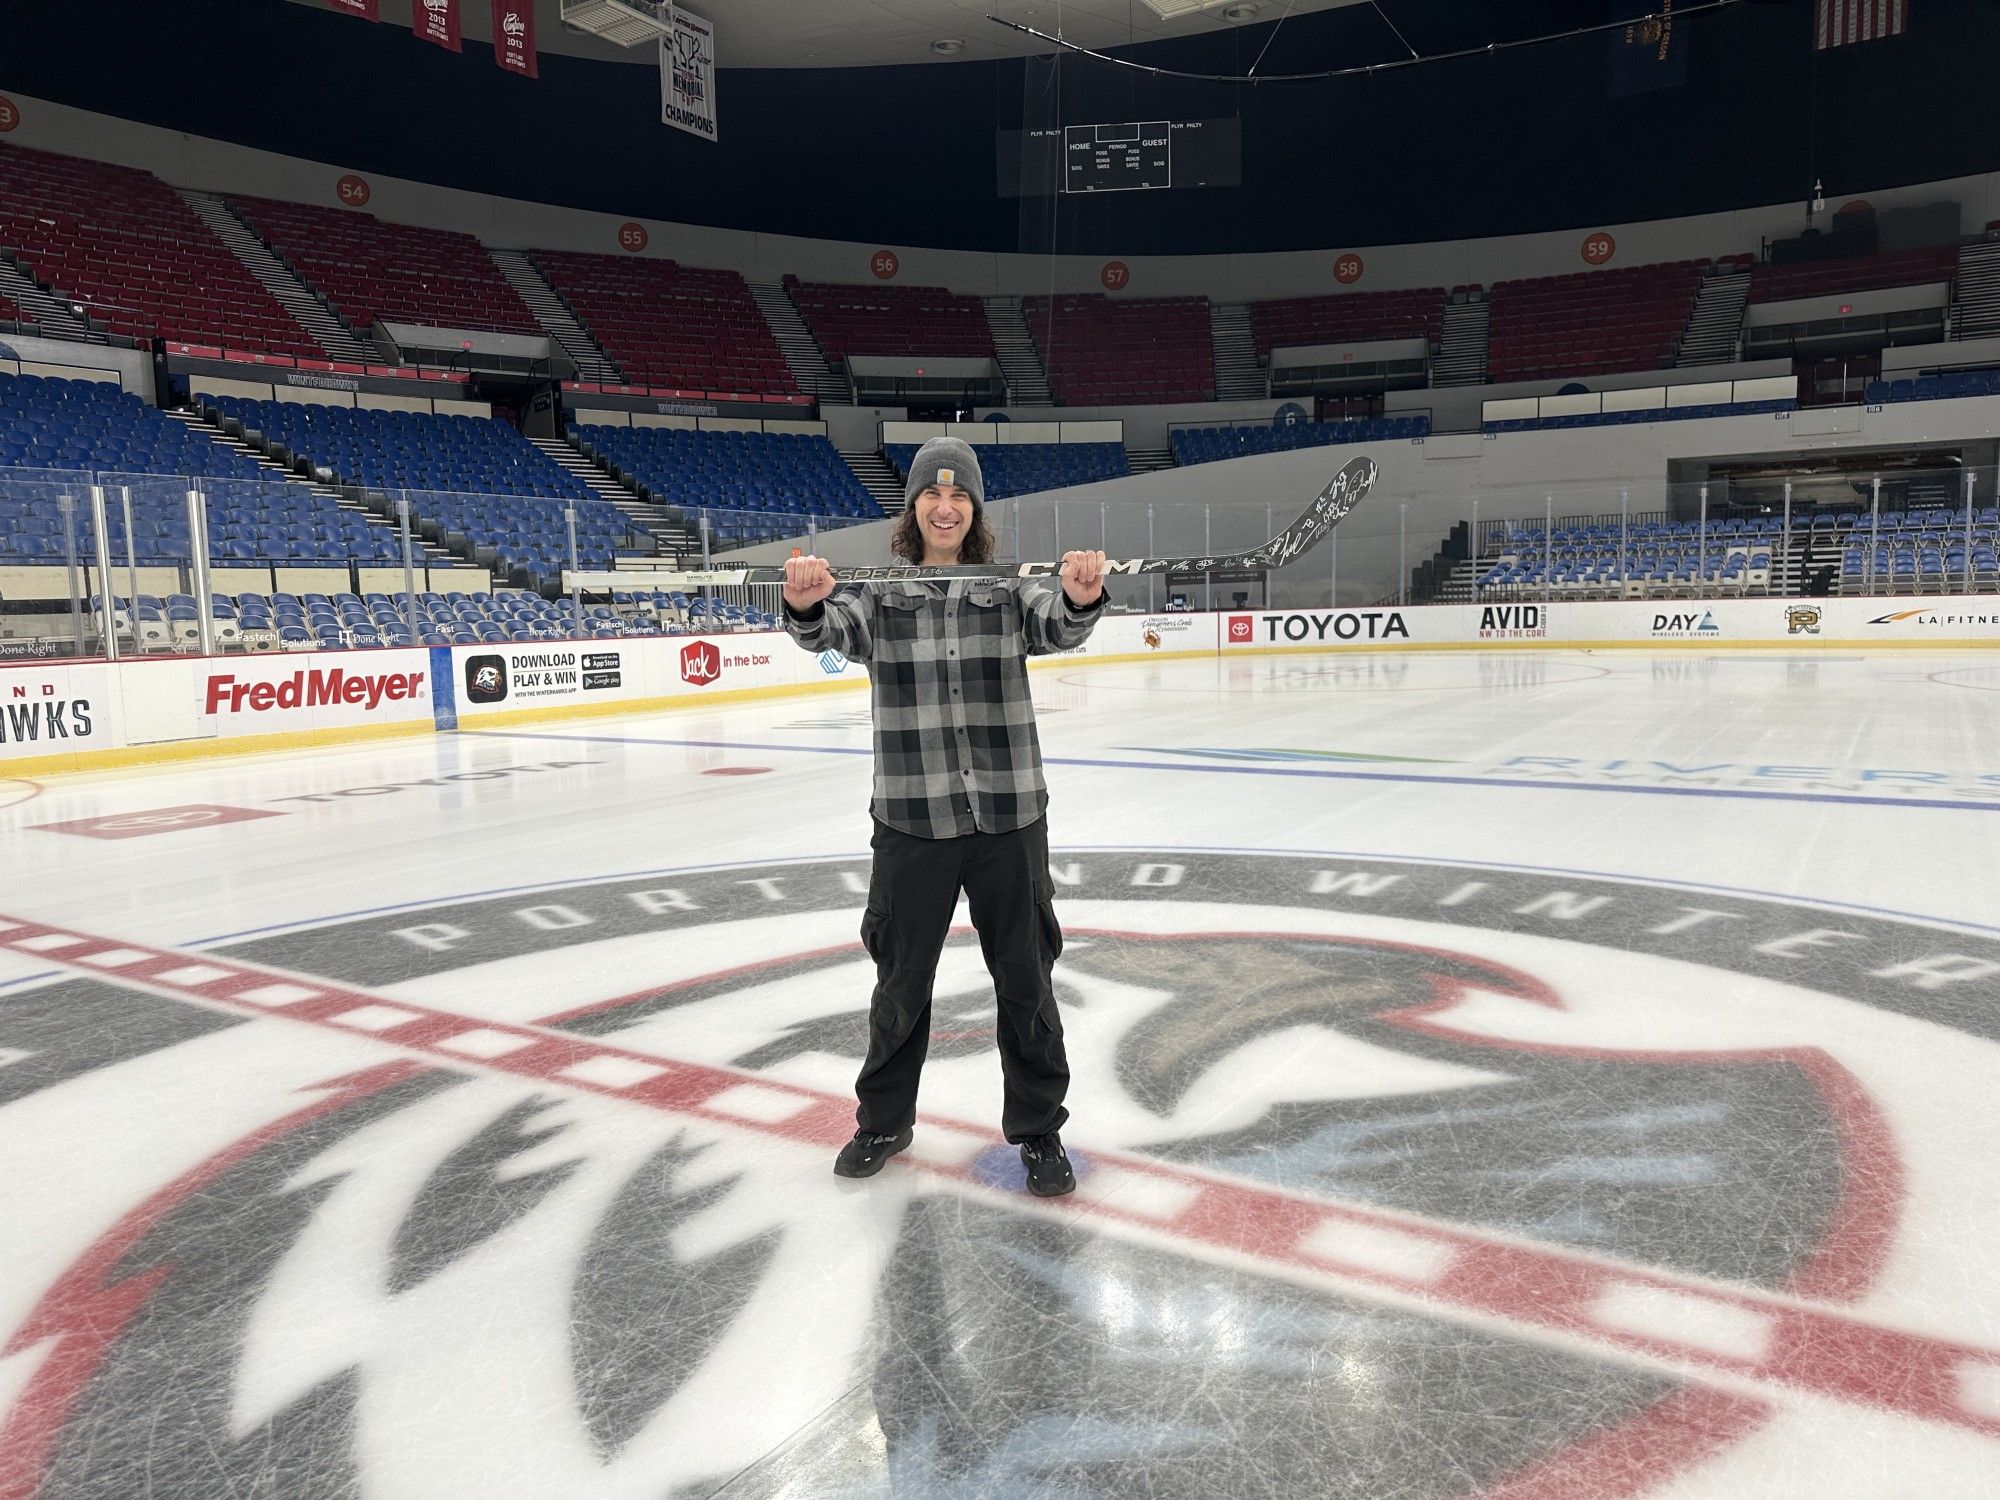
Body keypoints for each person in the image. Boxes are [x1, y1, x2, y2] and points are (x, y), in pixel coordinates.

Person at [782, 436, 1106, 1197]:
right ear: (914, 508)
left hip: (1008, 817)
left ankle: (1039, 1130)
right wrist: (803, 602)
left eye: (959, 496)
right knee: (901, 983)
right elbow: (828, 632)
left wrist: (1083, 595)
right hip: (911, 819)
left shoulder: (1010, 587)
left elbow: (1056, 623)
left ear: (975, 511)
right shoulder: (877, 595)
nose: (946, 505)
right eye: (932, 493)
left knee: (1026, 983)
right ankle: (885, 1120)